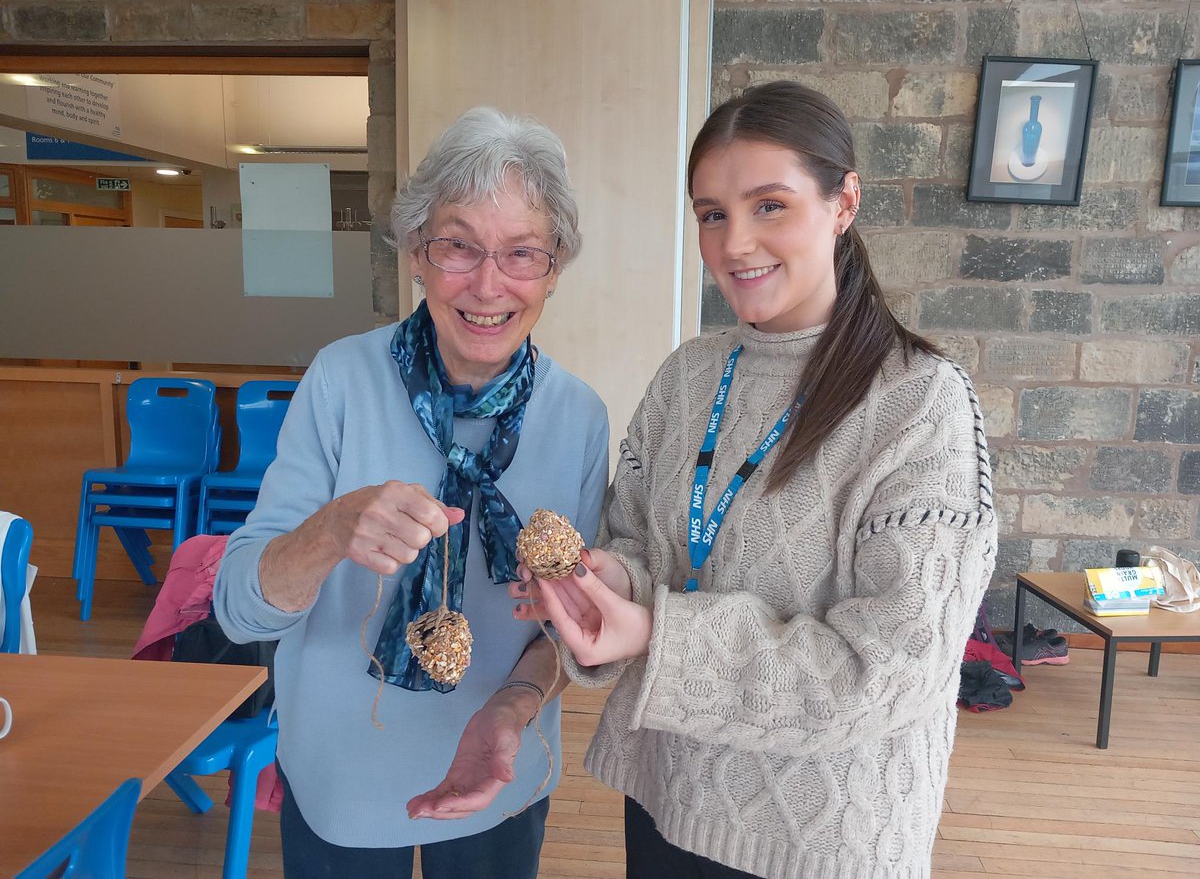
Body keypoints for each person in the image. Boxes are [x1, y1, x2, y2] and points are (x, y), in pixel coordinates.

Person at [514, 81, 997, 878]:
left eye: (768, 205)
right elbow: (640, 539)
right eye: (712, 213)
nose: (735, 243)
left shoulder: (919, 400)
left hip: (818, 835)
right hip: (665, 793)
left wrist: (656, 633)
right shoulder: (689, 375)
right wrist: (609, 582)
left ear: (844, 202)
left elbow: (893, 666)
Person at [215, 106, 609, 879]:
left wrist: (513, 707)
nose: (488, 284)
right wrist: (331, 530)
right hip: (343, 776)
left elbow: (575, 626)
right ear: (416, 255)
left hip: (501, 767)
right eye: (457, 245)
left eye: (522, 253)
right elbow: (238, 607)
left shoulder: (579, 417)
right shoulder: (339, 381)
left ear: (554, 268)